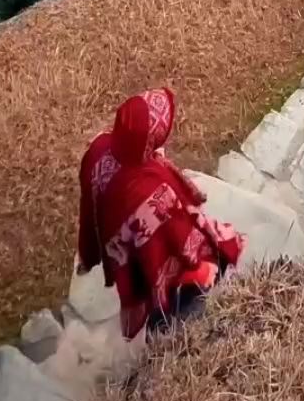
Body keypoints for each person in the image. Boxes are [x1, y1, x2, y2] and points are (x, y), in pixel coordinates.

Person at [76, 87, 245, 340]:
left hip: (121, 252)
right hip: (148, 254)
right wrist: (217, 248)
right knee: (202, 269)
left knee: (150, 271)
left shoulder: (98, 149)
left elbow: (89, 209)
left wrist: (89, 255)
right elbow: (186, 240)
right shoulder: (155, 191)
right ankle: (167, 332)